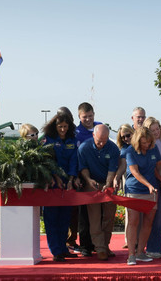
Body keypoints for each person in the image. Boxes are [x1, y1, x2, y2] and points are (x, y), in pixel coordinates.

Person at [124, 126, 161, 266]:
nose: (147, 145)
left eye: (149, 142)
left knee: (148, 222)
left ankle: (140, 252)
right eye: (143, 143)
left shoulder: (153, 148)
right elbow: (135, 172)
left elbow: (159, 166)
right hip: (134, 190)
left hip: (151, 190)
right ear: (137, 141)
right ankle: (131, 255)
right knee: (133, 221)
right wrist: (149, 185)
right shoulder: (130, 151)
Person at [78, 124, 120, 261]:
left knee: (109, 216)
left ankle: (105, 245)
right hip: (91, 184)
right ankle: (100, 248)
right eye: (99, 140)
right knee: (94, 217)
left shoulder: (113, 148)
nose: (102, 143)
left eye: (105, 140)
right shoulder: (84, 147)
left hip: (107, 182)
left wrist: (108, 184)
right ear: (93, 136)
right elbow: (83, 168)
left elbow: (112, 170)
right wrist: (88, 180)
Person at [42, 112, 80, 262]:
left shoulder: (72, 140)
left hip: (67, 184)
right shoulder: (48, 140)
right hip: (52, 184)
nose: (63, 129)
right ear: (55, 126)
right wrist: (55, 176)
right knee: (52, 219)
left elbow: (74, 161)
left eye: (65, 126)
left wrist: (71, 179)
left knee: (65, 218)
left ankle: (64, 249)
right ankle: (56, 251)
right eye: (60, 127)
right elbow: (47, 160)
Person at [70, 102, 101, 257]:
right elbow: (74, 158)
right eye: (84, 117)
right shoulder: (75, 133)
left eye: (90, 116)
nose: (88, 119)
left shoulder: (100, 128)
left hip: (99, 177)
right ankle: (85, 246)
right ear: (79, 116)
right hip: (82, 178)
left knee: (98, 213)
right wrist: (76, 176)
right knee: (84, 214)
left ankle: (98, 244)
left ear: (94, 114)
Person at [143, 117, 161, 259]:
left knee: (160, 215)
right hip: (155, 182)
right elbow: (154, 166)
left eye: (157, 128)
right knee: (156, 215)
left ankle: (158, 247)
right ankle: (152, 248)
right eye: (152, 130)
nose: (156, 132)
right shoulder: (149, 145)